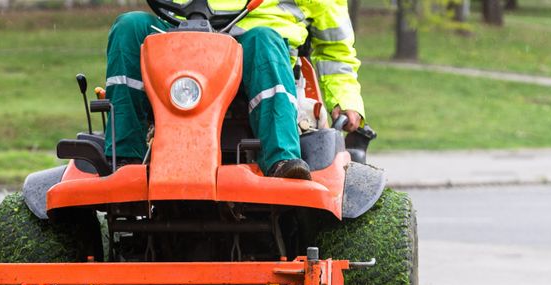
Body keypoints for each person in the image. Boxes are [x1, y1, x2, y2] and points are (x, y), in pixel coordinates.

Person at [103, 0, 364, 180]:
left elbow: (334, 47)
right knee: (129, 26)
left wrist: (345, 98)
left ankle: (282, 161)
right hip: (182, 52)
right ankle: (124, 158)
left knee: (264, 39)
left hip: (256, 57)